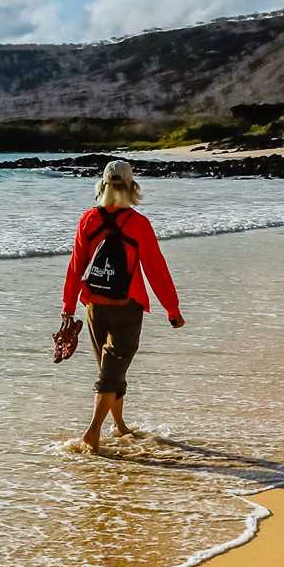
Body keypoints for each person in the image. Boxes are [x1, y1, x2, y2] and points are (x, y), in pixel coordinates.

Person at [61, 159, 184, 451]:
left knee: (110, 371)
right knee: (111, 372)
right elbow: (156, 269)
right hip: (127, 306)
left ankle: (119, 426)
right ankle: (92, 432)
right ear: (132, 188)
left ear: (102, 185)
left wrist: (68, 305)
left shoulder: (89, 219)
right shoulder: (138, 224)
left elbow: (76, 266)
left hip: (94, 306)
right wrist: (172, 309)